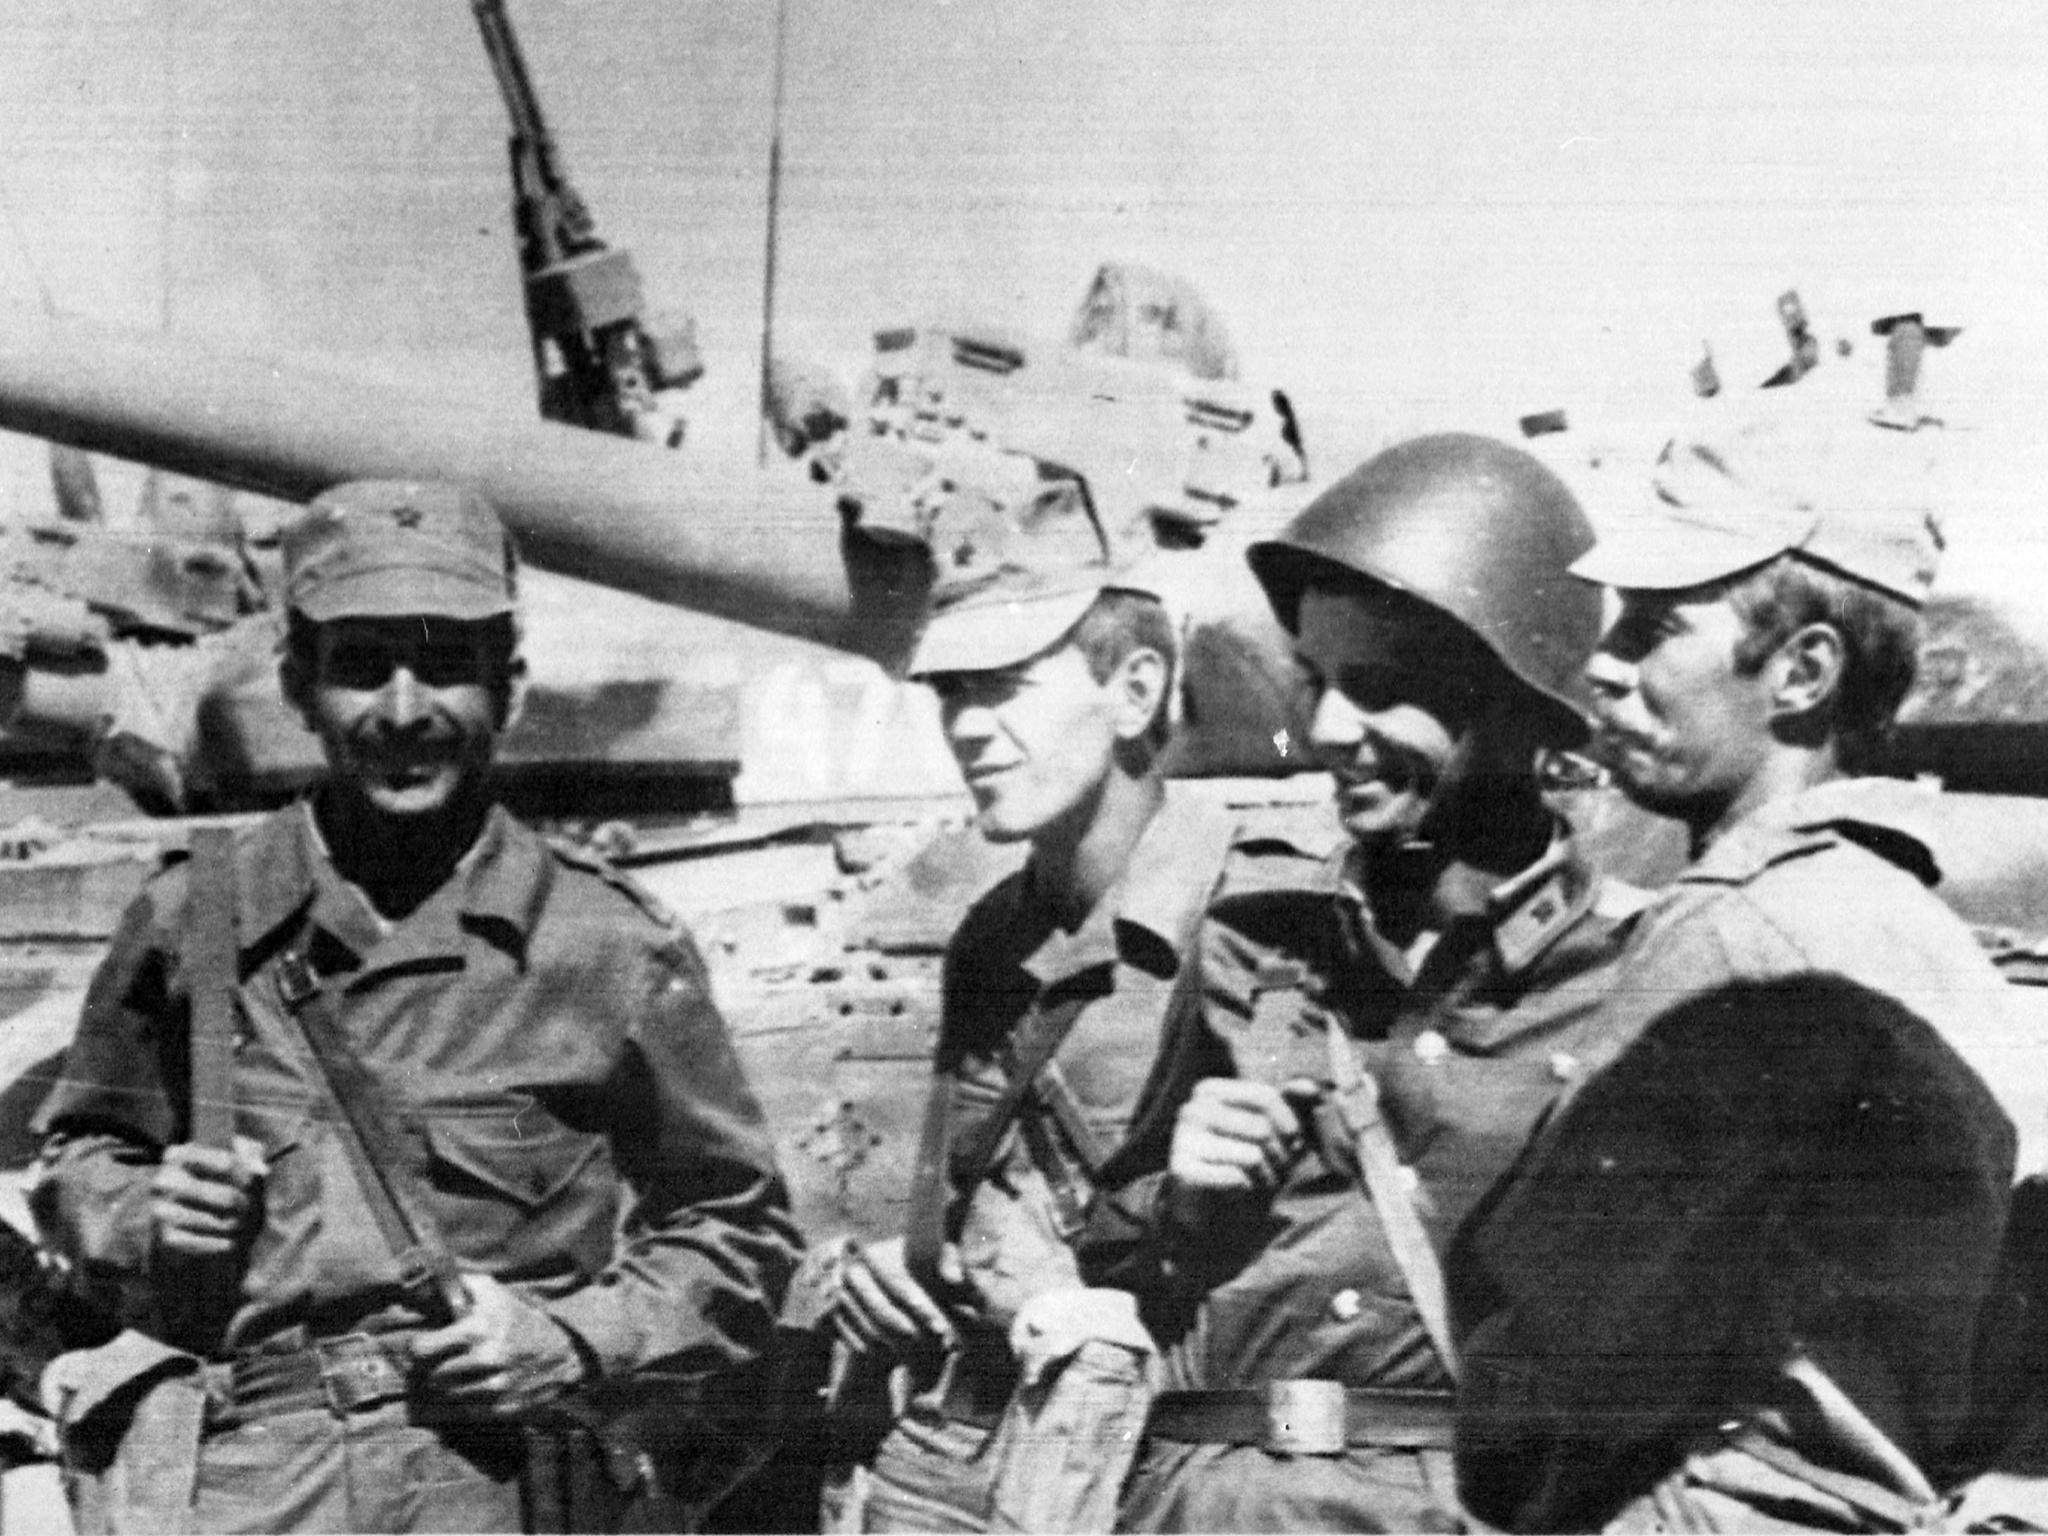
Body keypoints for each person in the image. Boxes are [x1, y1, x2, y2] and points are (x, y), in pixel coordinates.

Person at [30, 480, 800, 1534]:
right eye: (360, 667)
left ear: (508, 688)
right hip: (256, 1487)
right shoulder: (194, 921)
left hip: (503, 1484)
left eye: (445, 664)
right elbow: (81, 1155)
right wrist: (140, 1212)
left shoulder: (606, 943)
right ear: (300, 685)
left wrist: (575, 1338)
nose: (403, 711)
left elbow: (736, 1227)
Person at [1450, 407, 2024, 1532]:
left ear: (1802, 670)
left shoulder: (1733, 938)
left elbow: (1548, 1354)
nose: (1601, 667)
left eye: (1653, 630)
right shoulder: (1898, 914)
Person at [1116, 433, 1650, 1533]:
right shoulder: (1250, 941)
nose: (1322, 731)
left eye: (1376, 690)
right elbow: (1113, 1252)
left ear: (1513, 703)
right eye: (1312, 682)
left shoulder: (1633, 980)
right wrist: (1179, 1197)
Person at [822, 554, 1335, 1533]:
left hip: (1149, 1467)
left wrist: (1189, 1202)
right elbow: (976, 1198)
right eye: (952, 697)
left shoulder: (1259, 916)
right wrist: (904, 1262)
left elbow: (1310, 1274)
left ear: (1135, 690)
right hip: (960, 1456)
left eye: (1006, 689)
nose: (969, 729)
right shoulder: (988, 937)